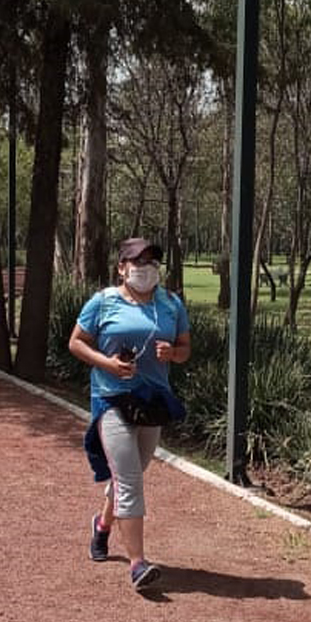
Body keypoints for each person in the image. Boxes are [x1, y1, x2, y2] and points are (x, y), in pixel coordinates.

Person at [68, 237, 191, 591]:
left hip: (152, 403)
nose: (146, 268)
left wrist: (173, 354)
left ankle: (102, 525)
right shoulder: (103, 302)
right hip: (112, 401)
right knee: (130, 480)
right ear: (122, 268)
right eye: (138, 262)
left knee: (128, 476)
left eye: (152, 262)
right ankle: (138, 564)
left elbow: (185, 348)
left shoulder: (171, 304)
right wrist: (107, 363)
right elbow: (76, 342)